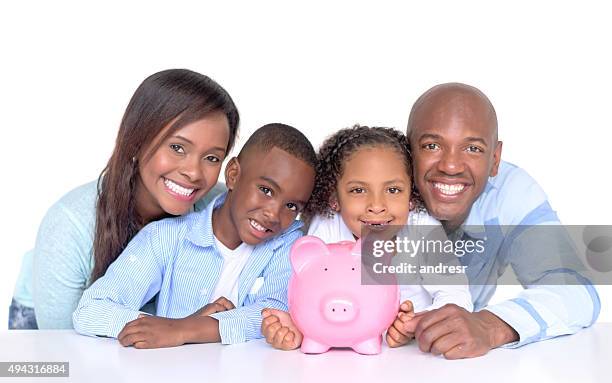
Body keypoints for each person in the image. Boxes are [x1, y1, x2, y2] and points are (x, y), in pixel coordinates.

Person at [9, 69, 239, 329]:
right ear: (138, 140)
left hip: (157, 332)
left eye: (212, 158)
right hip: (53, 330)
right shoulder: (70, 225)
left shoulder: (218, 204)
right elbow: (65, 347)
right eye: (177, 147)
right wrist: (182, 327)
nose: (194, 173)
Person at [393, 82, 600, 359]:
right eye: (431, 145)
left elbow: (578, 292)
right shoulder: (369, 187)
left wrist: (488, 325)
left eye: (473, 149)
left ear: (495, 158)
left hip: (454, 366)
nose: (450, 166)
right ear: (407, 152)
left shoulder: (510, 193)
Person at [72, 123, 317, 348]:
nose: (274, 214)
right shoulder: (166, 238)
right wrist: (167, 326)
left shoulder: (289, 244)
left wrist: (187, 329)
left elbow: (276, 311)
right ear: (233, 174)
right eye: (266, 190)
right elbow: (90, 310)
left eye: (292, 206)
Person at [260, 125, 473, 351]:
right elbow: (310, 293)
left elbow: (458, 299)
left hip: (409, 359)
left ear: (411, 195)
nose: (377, 206)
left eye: (393, 190)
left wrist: (417, 324)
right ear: (335, 198)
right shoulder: (327, 227)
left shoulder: (423, 229)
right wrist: (294, 327)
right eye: (358, 190)